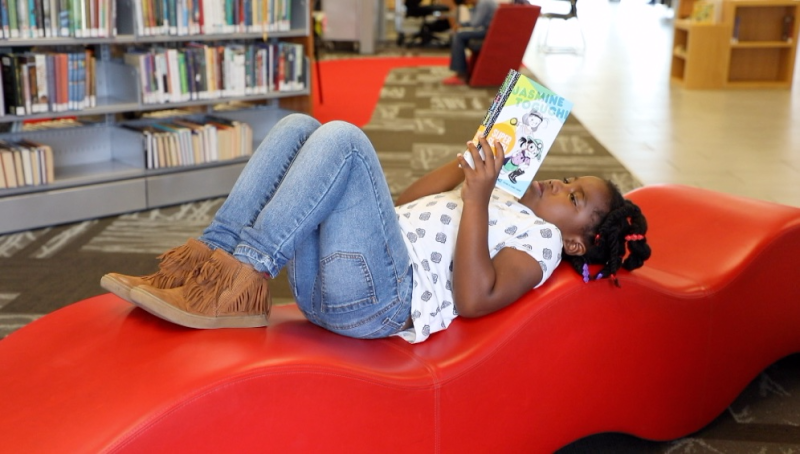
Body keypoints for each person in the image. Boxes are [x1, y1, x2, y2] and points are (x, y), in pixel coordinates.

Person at [101, 113, 651, 343]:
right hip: (339, 279)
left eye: (573, 196)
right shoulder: (501, 193)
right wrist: (468, 168)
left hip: (382, 302)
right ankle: (207, 269)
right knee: (299, 126)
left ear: (578, 238)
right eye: (563, 179)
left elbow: (476, 297)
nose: (556, 185)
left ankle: (242, 280)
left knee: (343, 138)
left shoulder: (543, 242)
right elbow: (400, 205)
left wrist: (479, 198)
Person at [442, 0, 499, 86]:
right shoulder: (483, 3)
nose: (466, 4)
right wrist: (462, 24)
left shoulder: (483, 3)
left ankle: (461, 75)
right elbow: (474, 22)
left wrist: (463, 24)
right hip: (489, 31)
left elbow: (475, 23)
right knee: (459, 34)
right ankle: (462, 71)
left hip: (488, 32)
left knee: (458, 35)